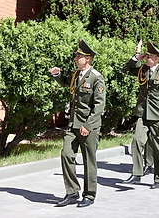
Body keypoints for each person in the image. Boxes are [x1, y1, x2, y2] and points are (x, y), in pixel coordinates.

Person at [50, 39, 106, 208]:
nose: (75, 58)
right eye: (76, 56)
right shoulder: (77, 75)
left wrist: (88, 125)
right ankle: (72, 191)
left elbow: (99, 106)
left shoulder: (96, 78)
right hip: (73, 124)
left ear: (87, 58)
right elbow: (68, 84)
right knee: (66, 154)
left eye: (78, 56)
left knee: (89, 160)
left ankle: (89, 195)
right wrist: (58, 75)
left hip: (89, 126)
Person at [122, 40, 159, 189]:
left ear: (157, 59)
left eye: (149, 57)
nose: (147, 59)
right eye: (146, 57)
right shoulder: (142, 70)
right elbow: (126, 69)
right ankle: (137, 174)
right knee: (137, 142)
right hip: (143, 113)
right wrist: (137, 56)